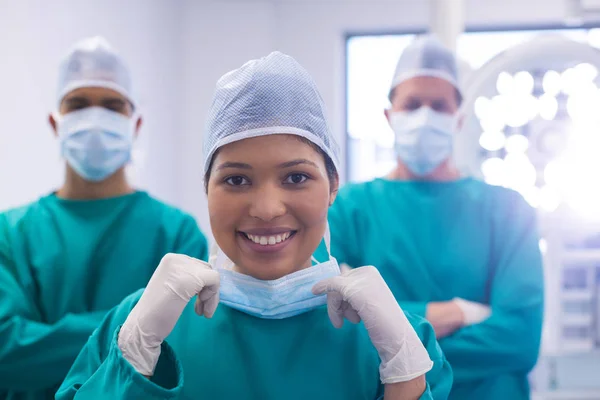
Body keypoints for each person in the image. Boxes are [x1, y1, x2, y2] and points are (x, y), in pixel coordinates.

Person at [56, 52, 452, 400]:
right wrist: (134, 359)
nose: (265, 209)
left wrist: (404, 377)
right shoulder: (137, 324)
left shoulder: (398, 339)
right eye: (236, 180)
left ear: (333, 187)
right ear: (206, 190)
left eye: (296, 177)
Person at [328, 35, 544, 400]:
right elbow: (336, 330)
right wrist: (457, 313)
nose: (424, 116)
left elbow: (520, 338)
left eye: (439, 106)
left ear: (458, 119)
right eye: (412, 105)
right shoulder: (348, 208)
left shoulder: (508, 209)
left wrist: (390, 333)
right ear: (389, 116)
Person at [0, 36, 208, 399]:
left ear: (136, 123)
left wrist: (46, 338)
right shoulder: (10, 233)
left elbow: (180, 351)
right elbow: (7, 353)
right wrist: (134, 328)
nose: (95, 119)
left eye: (112, 106)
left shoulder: (177, 233)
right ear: (55, 122)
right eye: (78, 104)